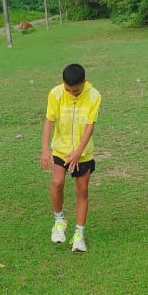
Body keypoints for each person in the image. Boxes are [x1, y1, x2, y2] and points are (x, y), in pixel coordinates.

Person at [41, 63, 102, 253]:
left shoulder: (94, 96)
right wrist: (45, 149)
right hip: (61, 150)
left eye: (75, 91)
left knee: (82, 192)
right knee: (57, 182)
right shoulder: (56, 94)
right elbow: (49, 121)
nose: (71, 93)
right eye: (68, 89)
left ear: (83, 83)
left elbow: (90, 126)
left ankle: (79, 235)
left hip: (83, 154)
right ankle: (59, 221)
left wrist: (78, 152)